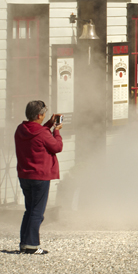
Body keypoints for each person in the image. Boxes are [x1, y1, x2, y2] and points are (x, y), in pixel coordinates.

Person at [14, 100, 62, 255]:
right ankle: (32, 245)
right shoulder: (42, 132)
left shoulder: (20, 129)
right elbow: (57, 147)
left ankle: (24, 243)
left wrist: (48, 124)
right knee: (37, 212)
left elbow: (36, 133)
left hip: (24, 174)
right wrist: (57, 131)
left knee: (29, 210)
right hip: (40, 176)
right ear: (40, 115)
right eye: (44, 115)